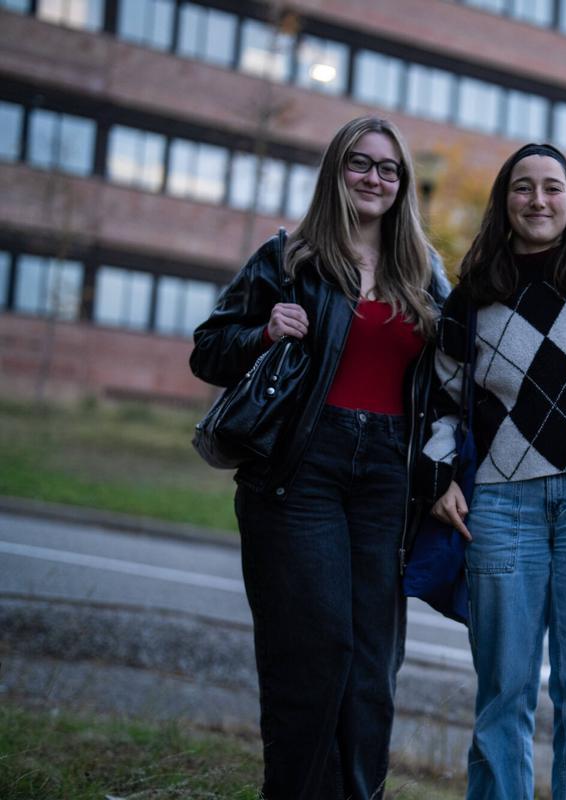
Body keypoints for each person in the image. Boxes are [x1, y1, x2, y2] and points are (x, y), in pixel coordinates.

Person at [189, 116, 449, 800]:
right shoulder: (289, 256)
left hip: (389, 480)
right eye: (359, 164)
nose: (374, 179)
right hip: (301, 469)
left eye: (388, 169)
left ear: (402, 184)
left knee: (370, 665)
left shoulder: (424, 271)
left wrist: (445, 473)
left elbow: (458, 379)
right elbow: (209, 347)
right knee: (314, 651)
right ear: (337, 172)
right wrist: (262, 330)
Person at [419, 142, 566, 800]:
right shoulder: (473, 297)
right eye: (522, 188)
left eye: (552, 188)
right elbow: (440, 400)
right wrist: (438, 476)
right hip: (501, 509)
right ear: (504, 202)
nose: (537, 200)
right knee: (503, 696)